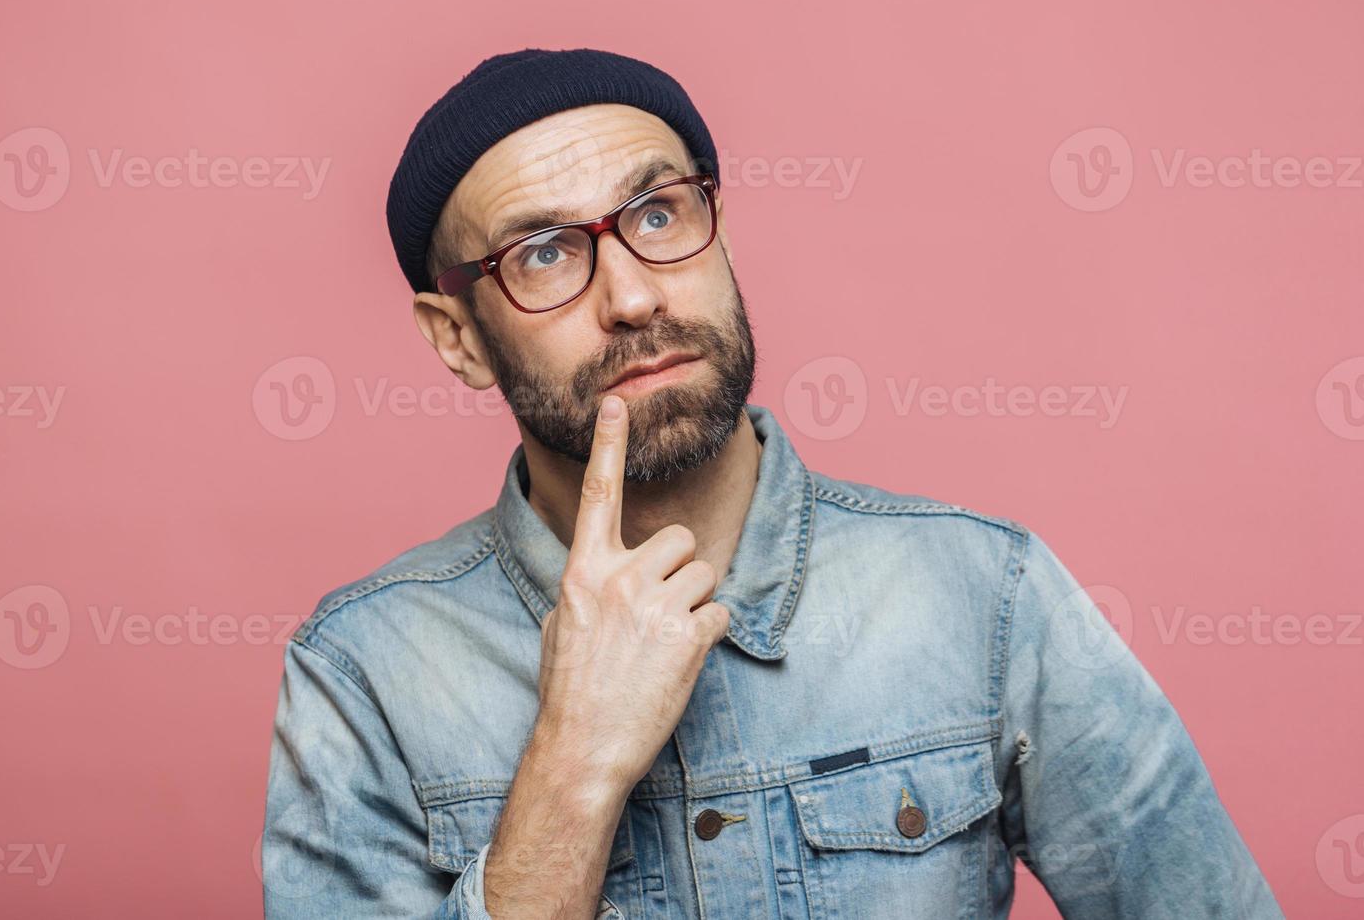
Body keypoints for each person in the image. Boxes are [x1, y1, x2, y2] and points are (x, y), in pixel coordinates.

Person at [261, 47, 1282, 919]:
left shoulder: (986, 592)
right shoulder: (363, 673)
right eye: (543, 254)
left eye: (657, 214)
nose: (631, 294)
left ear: (721, 233)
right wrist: (572, 767)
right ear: (459, 338)